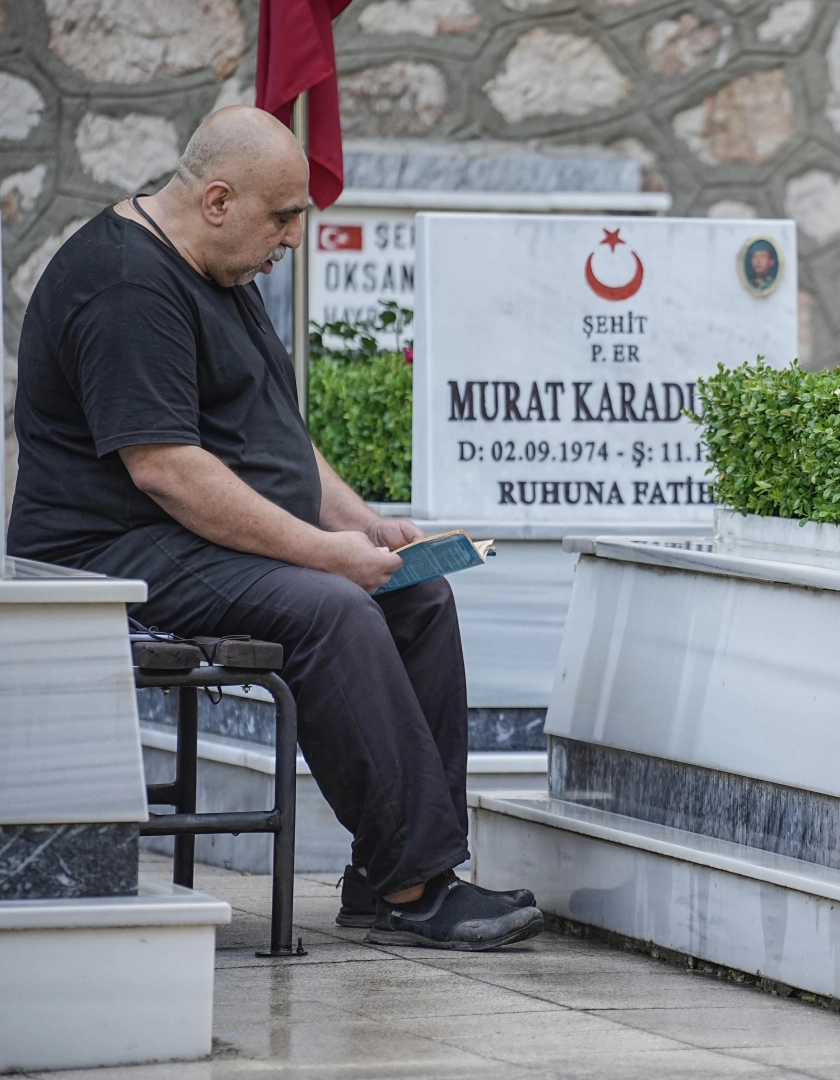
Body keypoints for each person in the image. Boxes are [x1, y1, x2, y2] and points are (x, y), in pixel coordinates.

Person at [9, 107, 543, 950]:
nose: (294, 237)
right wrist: (325, 555)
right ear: (218, 200)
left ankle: (385, 874)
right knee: (332, 608)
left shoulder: (221, 267)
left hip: (182, 543)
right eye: (284, 215)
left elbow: (274, 437)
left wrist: (363, 526)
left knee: (419, 597)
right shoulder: (126, 287)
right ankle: (416, 886)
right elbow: (167, 469)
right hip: (109, 556)